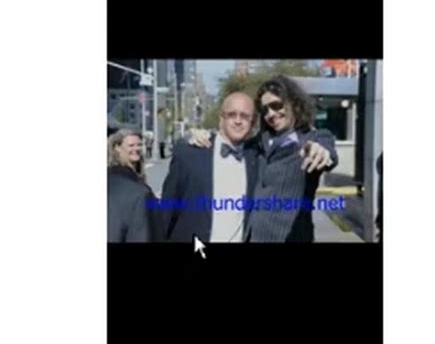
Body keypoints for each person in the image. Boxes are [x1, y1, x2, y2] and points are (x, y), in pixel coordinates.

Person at [189, 76, 338, 242]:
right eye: (265, 110)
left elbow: (328, 153)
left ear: (293, 103)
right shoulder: (259, 143)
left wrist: (322, 153)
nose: (271, 114)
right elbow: (229, 141)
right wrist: (203, 136)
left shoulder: (312, 139)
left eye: (276, 105)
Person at [158, 92, 259, 243]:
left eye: (244, 116)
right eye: (232, 114)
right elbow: (167, 210)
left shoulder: (257, 157)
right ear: (221, 118)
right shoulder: (190, 153)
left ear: (253, 121)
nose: (238, 121)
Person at [107, 129, 158, 242]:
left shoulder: (133, 176)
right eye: (131, 145)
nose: (137, 149)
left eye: (139, 145)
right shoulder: (125, 181)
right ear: (117, 148)